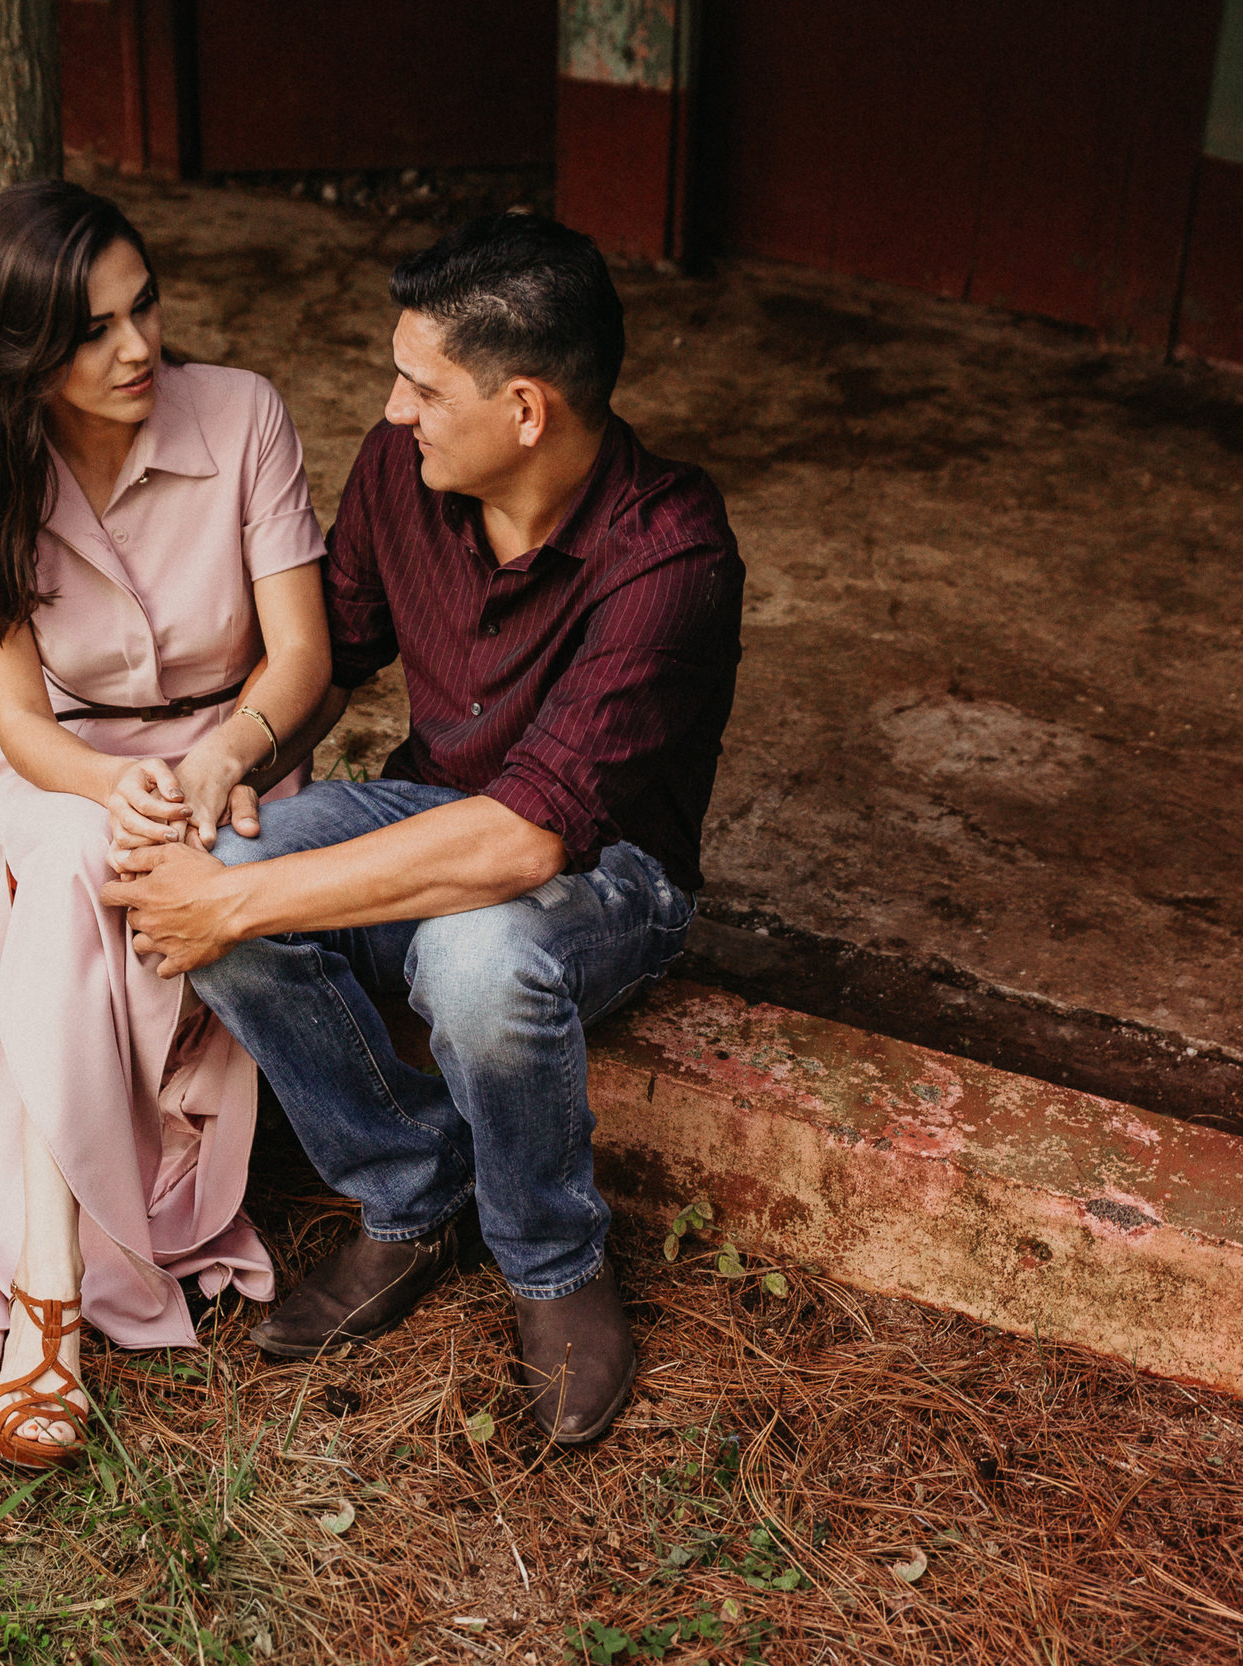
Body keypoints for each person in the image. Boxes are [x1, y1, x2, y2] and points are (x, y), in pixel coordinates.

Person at [102, 212, 743, 1446]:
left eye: (420, 385)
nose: (393, 410)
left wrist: (236, 905)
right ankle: (407, 1187)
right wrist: (223, 760)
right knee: (213, 858)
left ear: (524, 408)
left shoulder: (672, 555)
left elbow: (525, 844)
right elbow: (326, 655)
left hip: (606, 872)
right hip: (435, 807)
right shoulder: (409, 473)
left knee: (470, 954)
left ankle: (552, 1262)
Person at [0, 181, 330, 1469]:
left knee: (141, 877)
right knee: (70, 869)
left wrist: (219, 758)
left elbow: (301, 662)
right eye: (91, 331)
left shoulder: (244, 416)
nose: (136, 348)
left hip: (235, 755)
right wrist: (115, 792)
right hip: (65, 769)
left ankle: (48, 1279)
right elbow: (20, 725)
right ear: (21, 353)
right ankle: (48, 1281)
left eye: (144, 305)